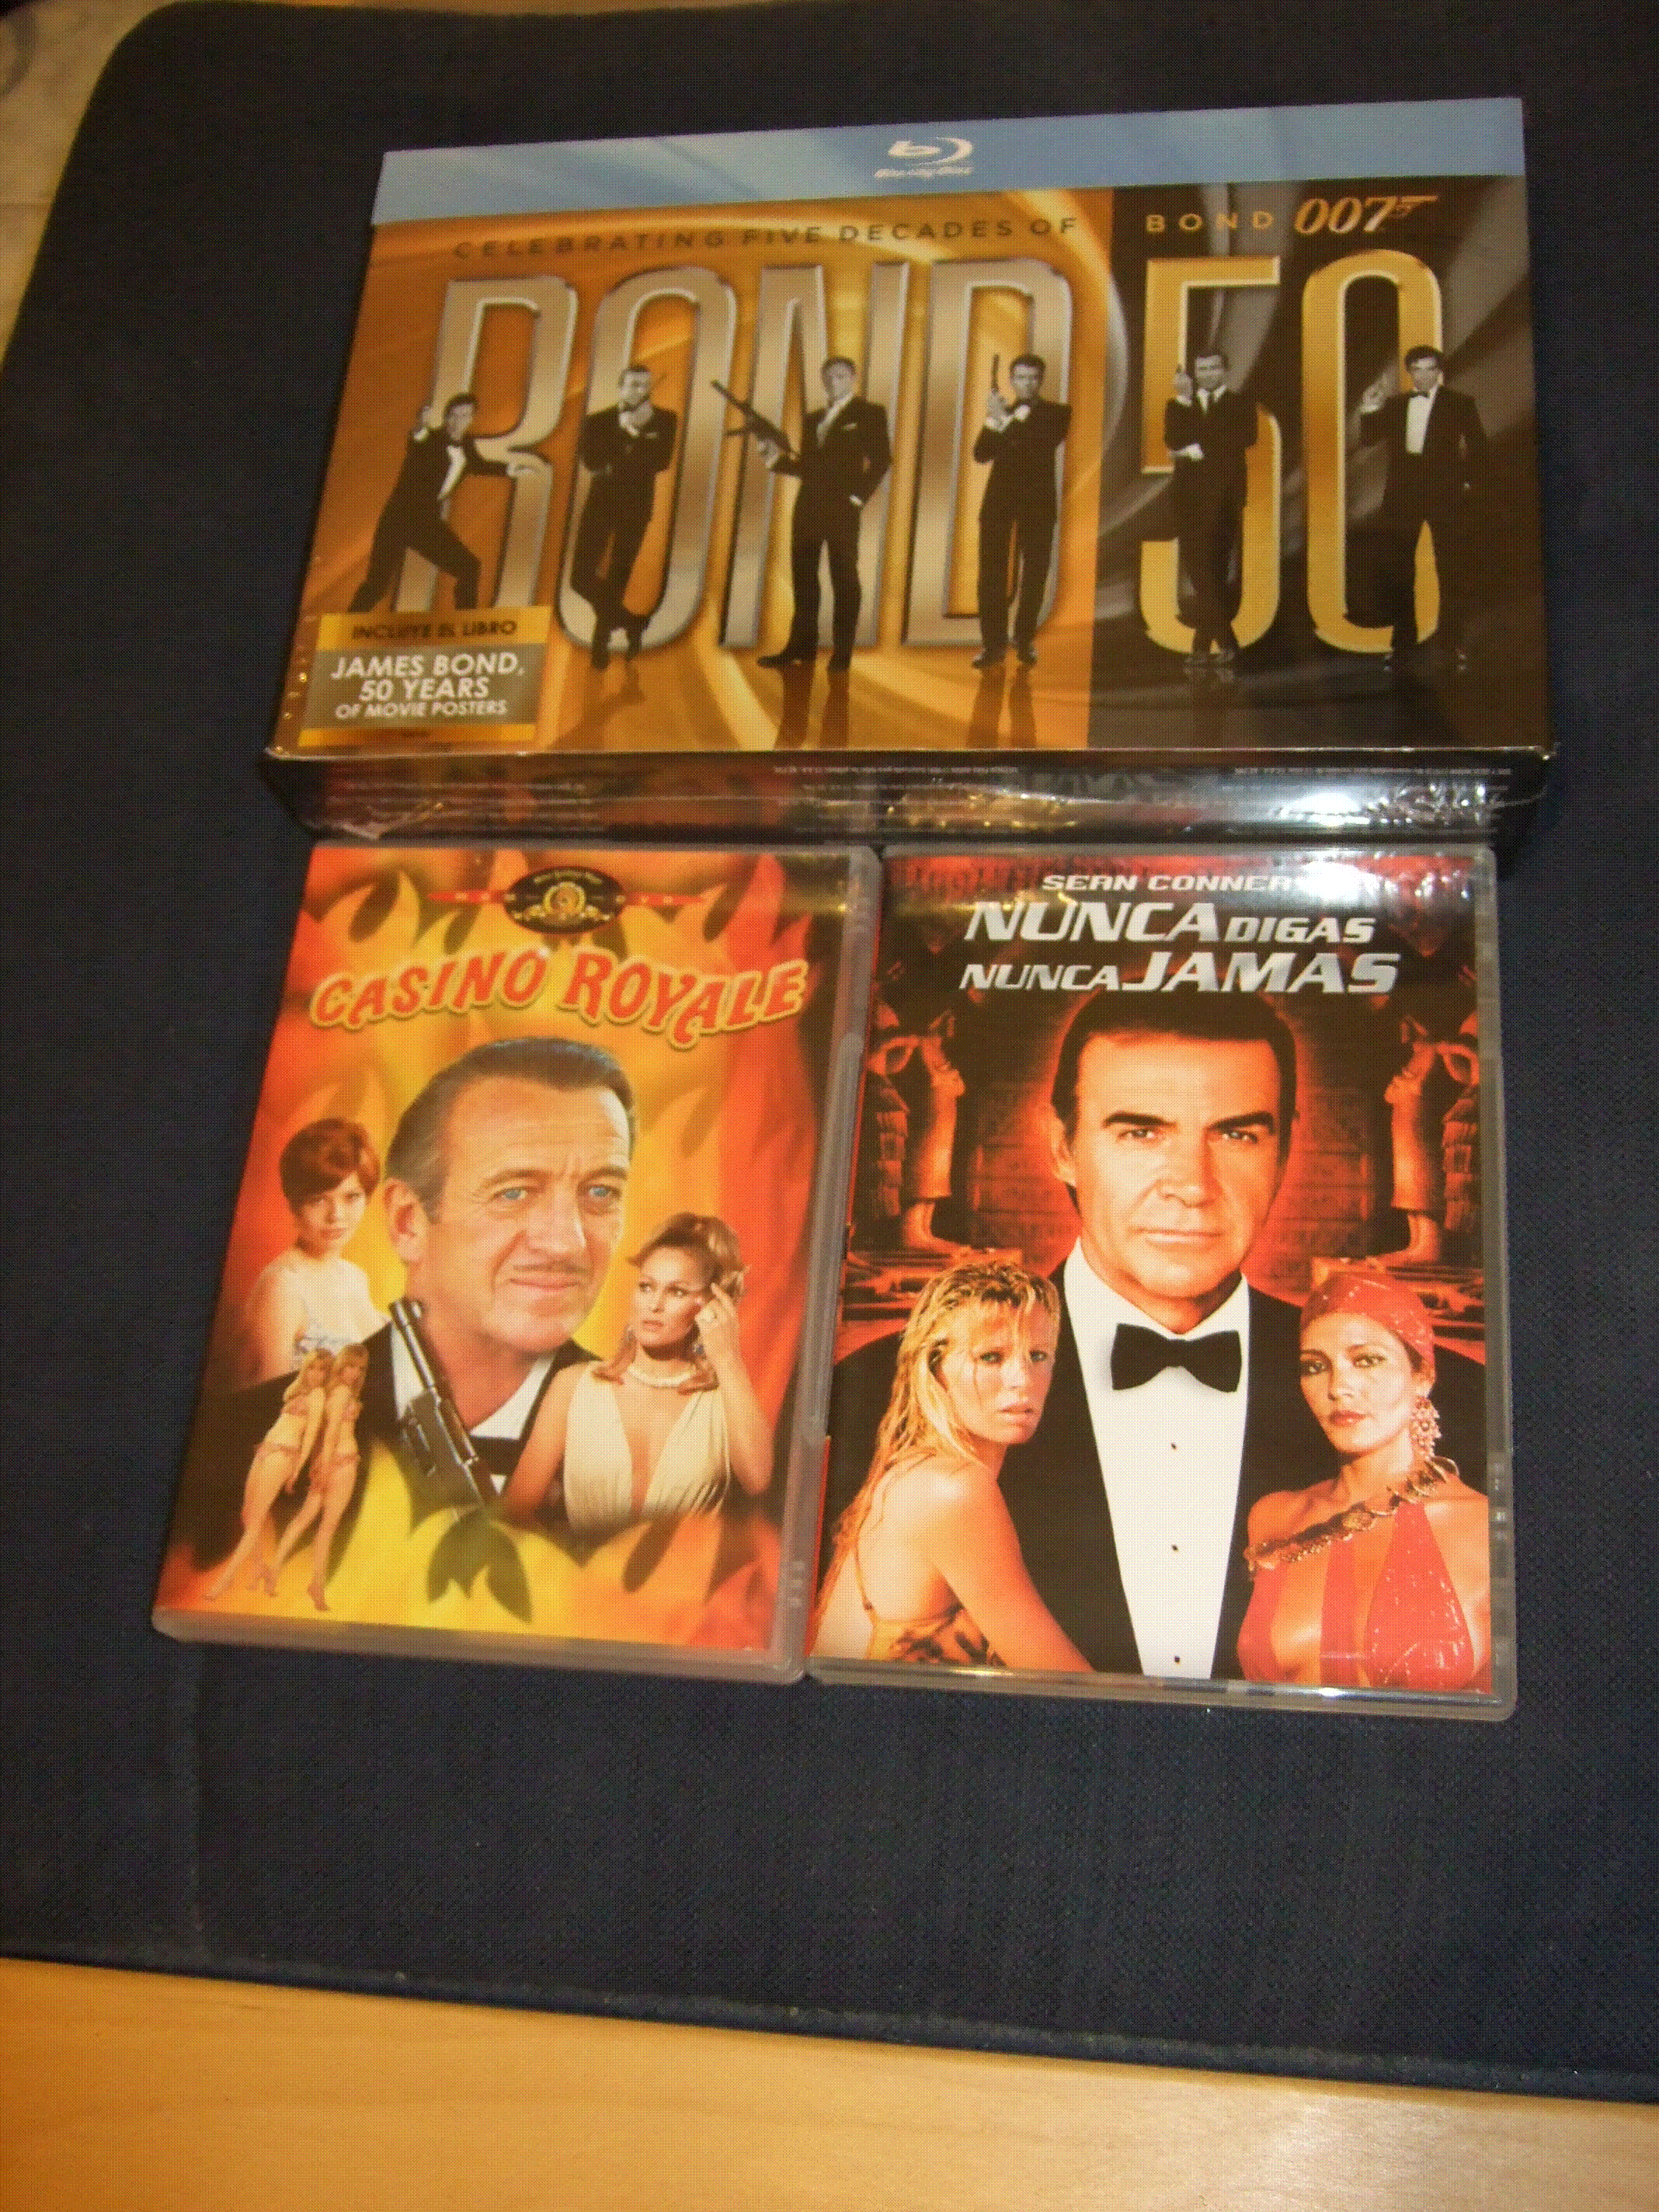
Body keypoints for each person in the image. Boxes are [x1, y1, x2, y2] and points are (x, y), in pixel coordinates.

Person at [826, 993, 1486, 1679]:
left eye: (1237, 1135)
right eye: (1141, 1133)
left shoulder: (1440, 1398)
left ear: (1285, 1148)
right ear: (1062, 1147)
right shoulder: (878, 1387)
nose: (1192, 1186)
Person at [180, 1037, 637, 1574]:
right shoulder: (238, 1441)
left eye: (601, 1192)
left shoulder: (660, 1438)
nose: (567, 1243)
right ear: (407, 1223)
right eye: (513, 1193)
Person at [812, 1261, 1089, 1671]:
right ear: (935, 1368)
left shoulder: (917, 1470)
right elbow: (1065, 1683)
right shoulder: (952, 1489)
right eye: (991, 1357)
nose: (1023, 1379)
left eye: (1038, 1355)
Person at [1237, 1271, 1490, 1691]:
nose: (1339, 1387)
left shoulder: (1484, 1527)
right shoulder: (1272, 1517)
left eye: (1367, 1360)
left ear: (1422, 1376)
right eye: (1315, 1367)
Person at [502, 1212, 770, 1539]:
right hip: (577, 1571)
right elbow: (512, 1517)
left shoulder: (725, 1400)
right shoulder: (574, 1386)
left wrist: (728, 1360)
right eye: (646, 1287)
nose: (654, 1304)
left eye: (677, 1292)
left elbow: (758, 1481)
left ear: (710, 1305)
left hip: (684, 1574)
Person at [756, 358, 891, 673]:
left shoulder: (869, 413)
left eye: (840, 376)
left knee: (844, 578)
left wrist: (858, 498)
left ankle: (842, 653)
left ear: (853, 378)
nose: (833, 382)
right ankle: (801, 648)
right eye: (828, 377)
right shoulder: (813, 418)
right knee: (804, 578)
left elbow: (882, 459)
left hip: (843, 508)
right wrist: (773, 460)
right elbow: (808, 468)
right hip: (808, 507)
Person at [1358, 344, 1487, 670]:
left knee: (1450, 570)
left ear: (1439, 371)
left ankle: (1453, 646)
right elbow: (1369, 439)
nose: (1424, 376)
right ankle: (1402, 647)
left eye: (1431, 368)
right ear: (1409, 372)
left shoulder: (1460, 403)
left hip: (1445, 494)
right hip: (1403, 495)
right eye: (1418, 369)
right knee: (1400, 570)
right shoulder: (1395, 404)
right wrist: (1369, 407)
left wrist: (1468, 484)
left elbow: (1479, 448)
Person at [349, 393, 535, 614]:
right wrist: (420, 425)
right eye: (453, 416)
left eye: (464, 416)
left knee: (469, 567)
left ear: (472, 418)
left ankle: (465, 623)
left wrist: (511, 469)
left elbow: (478, 464)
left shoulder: (467, 445)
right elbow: (418, 439)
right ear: (446, 418)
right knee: (377, 585)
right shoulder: (431, 440)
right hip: (397, 521)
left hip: (426, 523)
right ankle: (344, 628)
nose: (458, 422)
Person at [238, 1117, 384, 1384]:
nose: (336, 1215)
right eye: (318, 1200)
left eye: (351, 1197)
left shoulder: (355, 1277)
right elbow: (263, 1403)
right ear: (295, 1204)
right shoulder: (283, 1287)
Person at [571, 365, 678, 669]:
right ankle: (632, 622)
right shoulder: (597, 421)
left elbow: (661, 462)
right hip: (601, 504)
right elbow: (592, 462)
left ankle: (600, 644)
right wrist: (622, 431)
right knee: (580, 578)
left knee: (618, 576)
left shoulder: (665, 420)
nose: (639, 391)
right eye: (633, 385)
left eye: (645, 386)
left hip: (636, 506)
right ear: (620, 387)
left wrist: (635, 433)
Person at [203, 1348, 332, 1599]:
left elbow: (310, 1434)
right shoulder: (299, 1391)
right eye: (313, 1368)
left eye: (322, 1371)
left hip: (284, 1455)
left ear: (327, 1375)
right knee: (247, 1514)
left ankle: (225, 1581)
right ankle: (257, 1568)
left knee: (256, 1518)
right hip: (266, 1449)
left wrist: (298, 1468)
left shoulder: (318, 1396)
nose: (316, 1374)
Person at [972, 354, 1070, 670]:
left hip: (1037, 503)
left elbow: (1036, 444)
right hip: (999, 502)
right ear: (1012, 381)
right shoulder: (1003, 414)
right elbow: (981, 454)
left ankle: (1024, 639)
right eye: (1021, 378)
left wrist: (1004, 420)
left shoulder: (1058, 413)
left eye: (1033, 378)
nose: (1027, 384)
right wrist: (993, 420)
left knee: (1035, 573)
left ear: (1041, 381)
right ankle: (993, 646)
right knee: (991, 574)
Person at [1163, 350, 1256, 670]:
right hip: (1188, 499)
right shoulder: (1178, 405)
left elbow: (1244, 437)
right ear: (1194, 373)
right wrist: (1185, 404)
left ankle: (1205, 648)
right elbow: (1173, 441)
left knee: (1214, 571)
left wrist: (1195, 448)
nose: (1207, 374)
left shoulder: (1241, 402)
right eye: (1201, 369)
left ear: (1226, 370)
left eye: (1214, 368)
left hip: (1225, 498)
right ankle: (1224, 644)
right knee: (1200, 571)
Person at [263, 1342, 371, 1610]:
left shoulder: (331, 1392)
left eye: (360, 1369)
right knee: (326, 1526)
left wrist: (320, 1464)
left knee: (307, 1519)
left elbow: (324, 1432)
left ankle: (277, 1570)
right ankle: (315, 1586)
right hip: (341, 1463)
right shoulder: (342, 1393)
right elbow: (331, 1432)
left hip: (332, 1461)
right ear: (341, 1365)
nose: (355, 1373)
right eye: (350, 1366)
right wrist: (324, 1466)